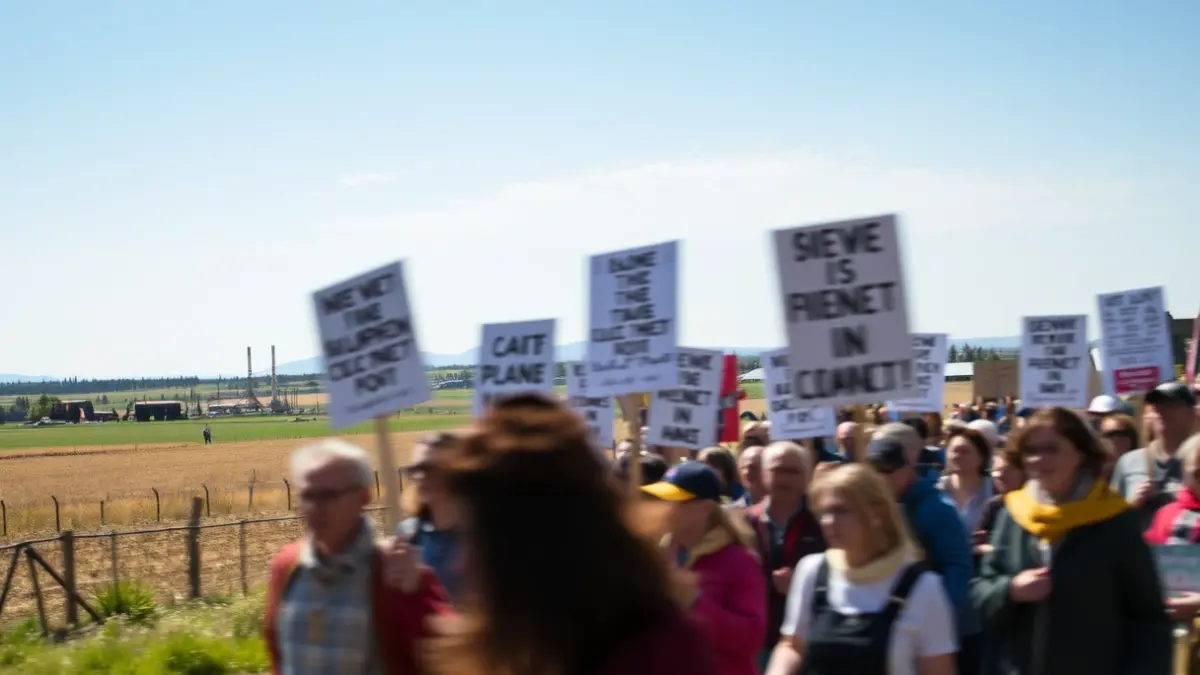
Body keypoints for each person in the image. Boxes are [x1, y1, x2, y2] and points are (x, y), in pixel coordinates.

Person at [426, 393, 718, 675]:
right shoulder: (513, 649)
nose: (459, 563)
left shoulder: (660, 656)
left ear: (531, 544)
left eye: (478, 539)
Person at [971, 406, 1172, 675]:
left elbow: (1148, 619)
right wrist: (1011, 591)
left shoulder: (1113, 518)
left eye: (1051, 449)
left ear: (1079, 452)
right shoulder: (1014, 513)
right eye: (1031, 451)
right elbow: (981, 592)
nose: (1039, 459)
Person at [264, 439, 449, 674]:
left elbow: (447, 659)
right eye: (308, 496)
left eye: (328, 495)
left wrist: (416, 596)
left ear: (363, 497)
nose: (315, 508)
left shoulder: (395, 572)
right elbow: (277, 654)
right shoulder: (287, 567)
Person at [764, 463, 957, 675]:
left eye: (841, 511)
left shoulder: (923, 587)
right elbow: (793, 645)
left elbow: (938, 670)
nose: (829, 522)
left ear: (877, 514)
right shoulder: (812, 571)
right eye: (824, 512)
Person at [866, 425, 979, 675]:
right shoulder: (880, 506)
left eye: (887, 470)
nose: (881, 477)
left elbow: (958, 569)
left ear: (907, 467)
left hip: (943, 637)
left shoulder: (938, 508)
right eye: (874, 471)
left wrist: (933, 625)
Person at [643, 462, 766, 675]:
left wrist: (693, 601)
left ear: (705, 508)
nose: (664, 507)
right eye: (662, 498)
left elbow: (750, 638)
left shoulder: (740, 561)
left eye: (675, 501)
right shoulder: (654, 556)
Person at [742, 441, 826, 669]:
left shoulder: (824, 521)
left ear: (807, 476)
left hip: (810, 639)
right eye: (778, 470)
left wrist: (803, 583)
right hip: (759, 639)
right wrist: (768, 581)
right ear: (763, 473)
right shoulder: (743, 522)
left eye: (794, 471)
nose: (785, 478)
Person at [1111, 381, 1198, 529]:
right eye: (1156, 406)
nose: (1161, 411)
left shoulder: (1197, 460)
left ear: (1191, 413)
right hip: (1138, 550)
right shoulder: (1128, 462)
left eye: (1171, 405)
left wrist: (1188, 499)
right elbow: (1109, 518)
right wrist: (1133, 503)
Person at [397, 432, 463, 603]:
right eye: (415, 469)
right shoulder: (407, 536)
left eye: (432, 470)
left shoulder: (485, 537)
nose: (420, 477)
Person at [938, 426, 995, 536]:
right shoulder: (936, 490)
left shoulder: (994, 490)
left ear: (981, 457)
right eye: (954, 451)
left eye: (965, 451)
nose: (958, 456)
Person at [1096, 413, 1139, 479]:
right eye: (1106, 435)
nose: (1112, 439)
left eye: (1117, 433)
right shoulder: (1092, 473)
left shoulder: (1141, 469)